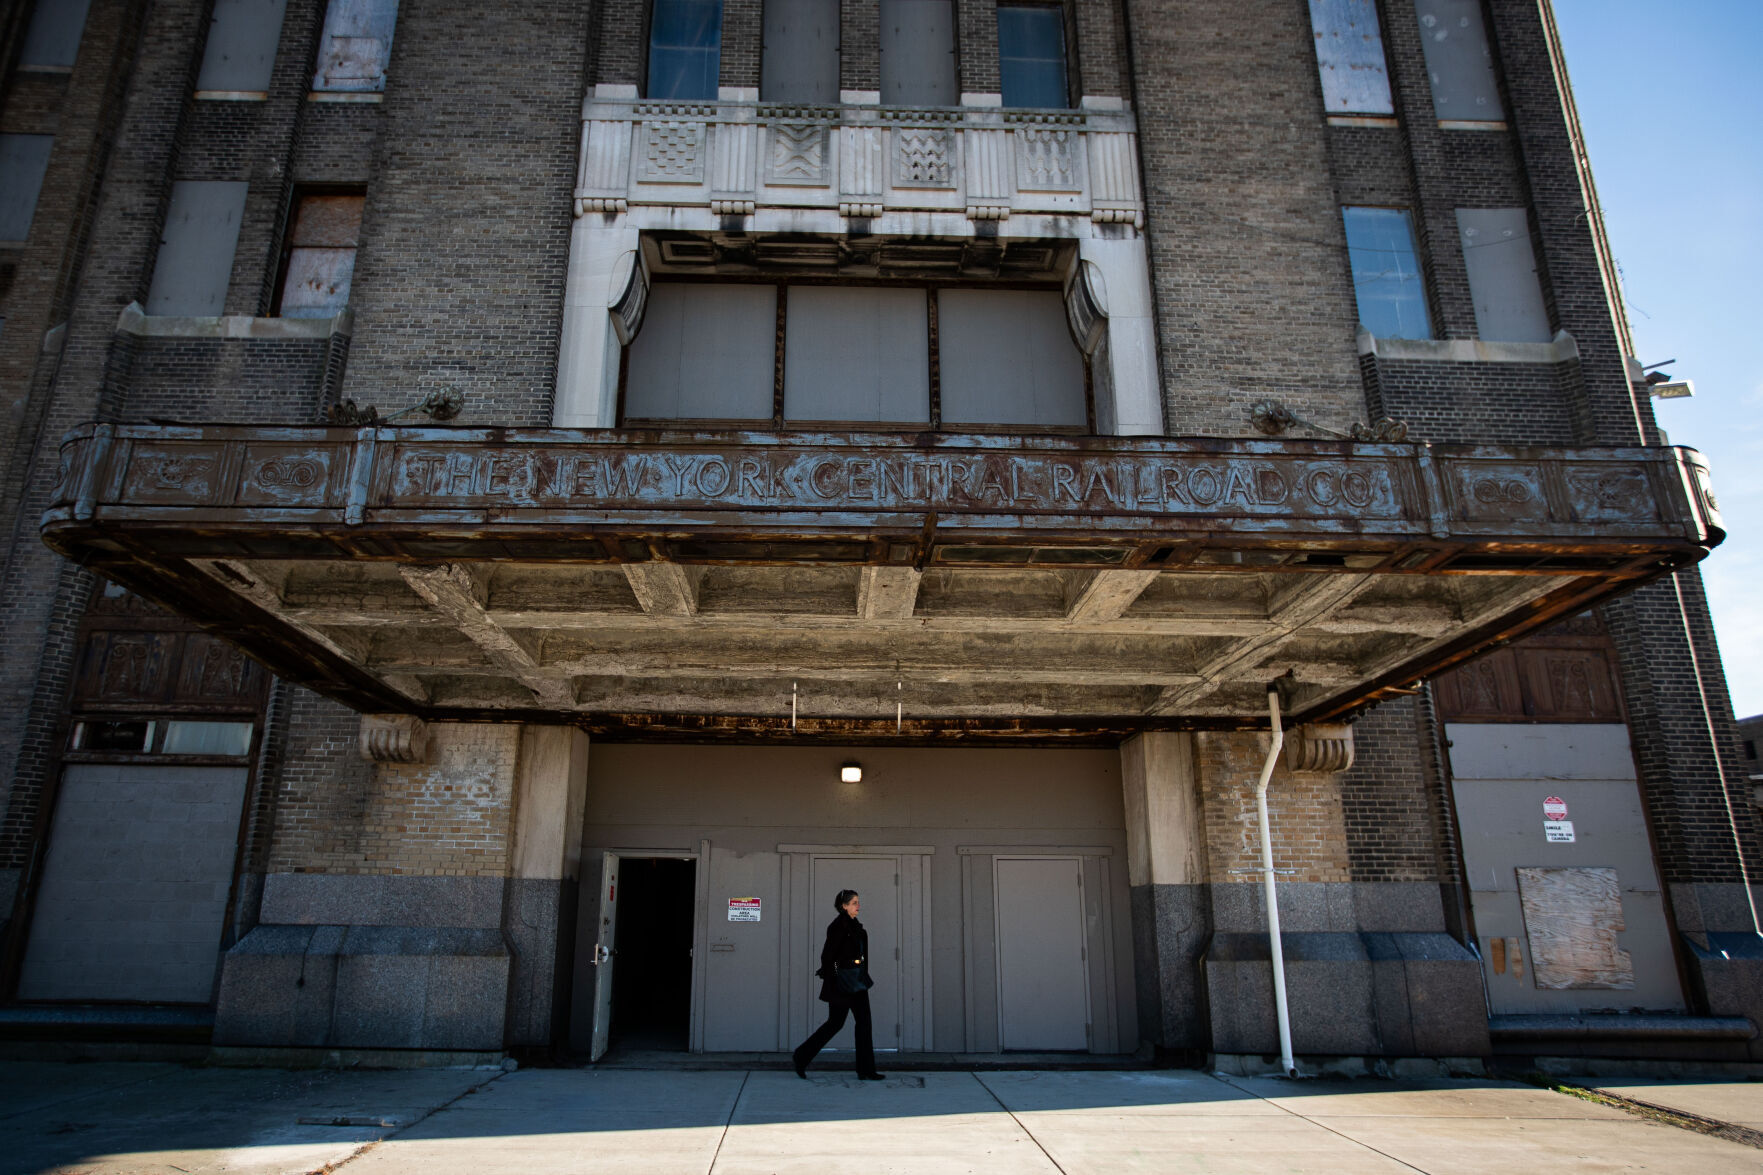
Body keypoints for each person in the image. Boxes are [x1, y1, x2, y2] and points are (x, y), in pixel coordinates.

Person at [792, 888, 883, 1080]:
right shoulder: (838, 927)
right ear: (844, 906)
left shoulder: (855, 926)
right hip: (841, 984)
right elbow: (828, 957)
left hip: (856, 982)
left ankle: (866, 1070)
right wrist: (835, 978)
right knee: (835, 1023)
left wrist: (860, 973)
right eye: (854, 903)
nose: (858, 906)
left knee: (864, 1023)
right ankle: (801, 1056)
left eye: (858, 902)